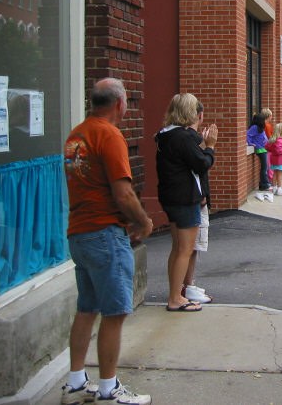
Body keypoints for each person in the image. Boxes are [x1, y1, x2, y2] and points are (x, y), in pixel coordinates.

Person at [62, 78, 153, 405]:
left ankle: (74, 383)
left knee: (87, 307)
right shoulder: (109, 135)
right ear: (119, 104)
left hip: (79, 233)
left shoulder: (77, 135)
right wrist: (143, 221)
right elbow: (123, 193)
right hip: (105, 235)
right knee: (114, 312)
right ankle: (108, 388)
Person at [156, 93, 217, 313]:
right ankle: (175, 298)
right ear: (192, 113)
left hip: (172, 197)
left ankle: (176, 293)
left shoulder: (167, 135)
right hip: (185, 198)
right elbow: (201, 163)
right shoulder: (182, 137)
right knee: (185, 249)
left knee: (177, 249)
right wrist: (210, 146)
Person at [180, 101, 217, 305]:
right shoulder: (187, 138)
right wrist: (209, 146)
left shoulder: (181, 138)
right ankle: (185, 287)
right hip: (193, 200)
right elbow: (201, 165)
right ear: (199, 115)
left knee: (188, 247)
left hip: (190, 198)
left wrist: (204, 146)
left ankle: (187, 285)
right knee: (189, 247)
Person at [246, 112, 272, 198]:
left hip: (264, 148)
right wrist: (250, 143)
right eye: (263, 119)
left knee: (265, 167)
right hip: (260, 149)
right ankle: (264, 184)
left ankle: (263, 183)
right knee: (264, 167)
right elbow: (248, 135)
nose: (265, 121)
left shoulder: (260, 127)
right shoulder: (254, 127)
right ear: (260, 120)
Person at [266, 122, 282, 195]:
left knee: (275, 174)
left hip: (274, 159)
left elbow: (268, 147)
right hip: (279, 160)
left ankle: (274, 188)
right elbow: (278, 149)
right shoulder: (279, 140)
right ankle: (279, 189)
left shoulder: (273, 139)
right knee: (279, 175)